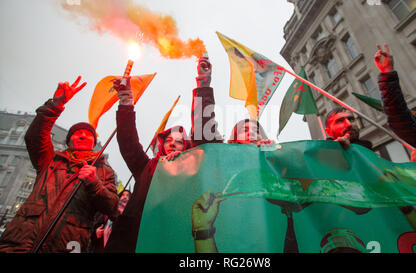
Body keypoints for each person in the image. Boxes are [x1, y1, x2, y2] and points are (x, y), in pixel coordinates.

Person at [0, 76, 119, 253]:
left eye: (87, 134)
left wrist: (94, 183)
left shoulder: (103, 171)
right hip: (19, 243)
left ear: (93, 142)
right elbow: (34, 136)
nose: (81, 135)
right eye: (76, 133)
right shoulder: (51, 159)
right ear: (69, 140)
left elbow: (111, 207)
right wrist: (56, 103)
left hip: (65, 246)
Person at [102, 77, 193, 253]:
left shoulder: (192, 175)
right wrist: (126, 102)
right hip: (130, 240)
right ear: (162, 145)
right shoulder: (147, 167)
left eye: (179, 142)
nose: (173, 144)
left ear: (187, 148)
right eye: (169, 140)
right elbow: (128, 141)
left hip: (167, 241)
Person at [191, 55, 274, 146]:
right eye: (244, 130)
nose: (251, 133)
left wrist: (272, 151)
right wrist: (204, 82)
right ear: (234, 138)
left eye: (257, 131)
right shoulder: (224, 154)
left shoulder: (273, 155)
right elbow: (204, 132)